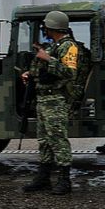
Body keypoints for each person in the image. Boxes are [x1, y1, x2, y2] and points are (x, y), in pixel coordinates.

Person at [20, 11, 85, 195]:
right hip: (43, 99)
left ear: (53, 27)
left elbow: (69, 73)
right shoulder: (55, 46)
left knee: (57, 139)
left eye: (46, 27)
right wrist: (30, 74)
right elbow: (44, 70)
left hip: (56, 100)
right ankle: (43, 177)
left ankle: (64, 180)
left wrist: (48, 59)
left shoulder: (68, 47)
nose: (44, 30)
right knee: (44, 141)